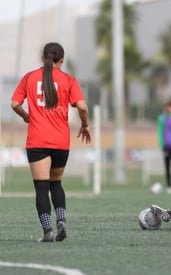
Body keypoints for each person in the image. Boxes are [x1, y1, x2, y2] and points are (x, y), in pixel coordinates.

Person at [11, 42, 92, 242]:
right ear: (62, 60)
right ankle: (61, 220)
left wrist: (25, 116)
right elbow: (82, 107)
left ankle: (48, 231)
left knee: (41, 187)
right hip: (60, 142)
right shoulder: (68, 80)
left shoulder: (29, 77)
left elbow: (14, 103)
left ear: (42, 58)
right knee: (56, 184)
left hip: (37, 140)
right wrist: (85, 124)